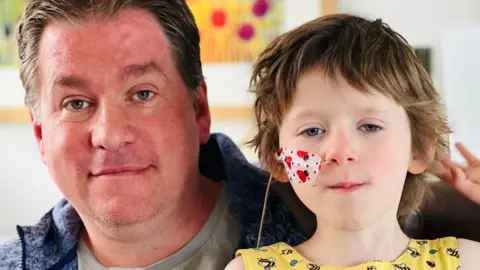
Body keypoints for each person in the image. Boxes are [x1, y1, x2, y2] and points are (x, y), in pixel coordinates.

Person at [0, 0, 306, 269]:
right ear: (40, 135)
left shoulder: (324, 228)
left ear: (199, 110)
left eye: (142, 94)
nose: (110, 135)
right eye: (76, 103)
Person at [226, 14, 480, 270]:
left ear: (419, 149)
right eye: (312, 130)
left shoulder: (467, 261)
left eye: (370, 126)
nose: (340, 151)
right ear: (278, 160)